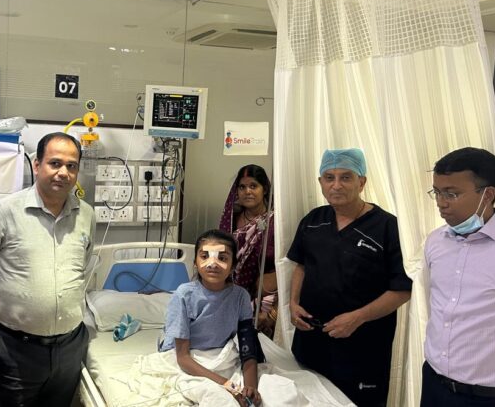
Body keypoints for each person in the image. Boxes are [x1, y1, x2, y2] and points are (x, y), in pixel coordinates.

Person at [0, 132, 95, 407]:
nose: (63, 172)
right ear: (37, 165)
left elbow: (83, 263)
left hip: (70, 346)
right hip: (17, 348)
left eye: (71, 166)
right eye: (55, 163)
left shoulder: (86, 214)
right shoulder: (5, 212)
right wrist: (10, 293)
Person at [288, 148, 411, 407]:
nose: (336, 185)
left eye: (346, 177)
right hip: (311, 342)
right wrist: (293, 303)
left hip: (362, 349)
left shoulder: (387, 227)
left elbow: (402, 289)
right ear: (320, 182)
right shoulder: (313, 220)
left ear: (361, 182)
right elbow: (301, 265)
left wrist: (358, 317)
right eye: (329, 177)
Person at [420, 147, 495, 407]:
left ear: (487, 195)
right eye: (437, 192)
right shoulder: (436, 242)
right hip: (435, 385)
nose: (441, 202)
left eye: (451, 194)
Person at [159, 229, 264, 407]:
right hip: (186, 357)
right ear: (195, 262)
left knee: (276, 390)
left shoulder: (240, 297)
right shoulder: (184, 295)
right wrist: (228, 385)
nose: (213, 264)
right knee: (216, 398)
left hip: (220, 354)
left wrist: (251, 388)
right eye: (205, 256)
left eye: (222, 258)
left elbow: (248, 348)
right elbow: (182, 357)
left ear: (233, 265)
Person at [219, 164, 277, 338]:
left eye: (253, 186)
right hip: (231, 294)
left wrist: (272, 312)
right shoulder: (230, 219)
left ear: (264, 189)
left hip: (266, 301)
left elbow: (286, 265)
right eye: (242, 187)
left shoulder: (276, 221)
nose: (247, 192)